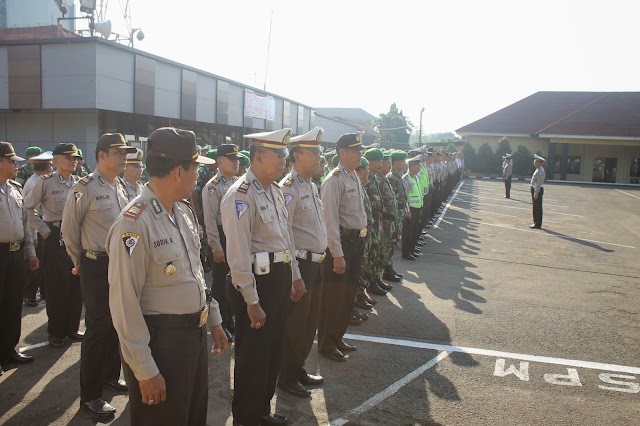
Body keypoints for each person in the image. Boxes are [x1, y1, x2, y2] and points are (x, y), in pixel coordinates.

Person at [106, 127, 228, 426]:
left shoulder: (182, 212)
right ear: (177, 171)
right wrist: (144, 369)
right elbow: (124, 303)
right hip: (162, 344)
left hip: (191, 338)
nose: (198, 175)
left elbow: (195, 272)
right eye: (196, 167)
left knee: (191, 416)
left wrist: (213, 318)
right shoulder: (134, 223)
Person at [221, 127, 300, 426]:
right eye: (277, 155)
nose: (283, 161)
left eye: (284, 155)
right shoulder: (240, 195)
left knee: (272, 351)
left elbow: (286, 239)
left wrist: (295, 276)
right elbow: (238, 255)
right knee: (253, 355)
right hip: (256, 283)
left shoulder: (275, 190)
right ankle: (246, 416)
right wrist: (251, 300)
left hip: (278, 278)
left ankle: (262, 411)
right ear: (257, 157)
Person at [62, 133, 136, 416]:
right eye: (118, 153)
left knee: (116, 323)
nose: (123, 158)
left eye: (124, 153)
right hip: (95, 264)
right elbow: (69, 230)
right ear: (102, 155)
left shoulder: (119, 186)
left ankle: (109, 376)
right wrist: (78, 261)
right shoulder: (85, 187)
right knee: (97, 328)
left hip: (118, 263)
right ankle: (90, 395)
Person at [277, 127, 328, 398]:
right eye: (315, 152)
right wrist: (295, 275)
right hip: (301, 265)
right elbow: (284, 236)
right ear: (297, 156)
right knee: (296, 324)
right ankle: (286, 376)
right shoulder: (288, 189)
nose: (320, 157)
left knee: (309, 324)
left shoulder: (311, 185)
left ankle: (298, 368)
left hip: (317, 263)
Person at [24, 143, 83, 349]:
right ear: (55, 161)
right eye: (68, 157)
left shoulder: (79, 182)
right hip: (54, 234)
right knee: (58, 286)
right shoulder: (45, 182)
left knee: (76, 285)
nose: (73, 161)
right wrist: (45, 231)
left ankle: (72, 328)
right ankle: (56, 331)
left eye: (75, 157)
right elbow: (28, 207)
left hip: (76, 235)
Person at [318, 133, 367, 362]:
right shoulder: (334, 180)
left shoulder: (353, 176)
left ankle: (338, 337)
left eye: (360, 151)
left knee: (347, 295)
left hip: (356, 242)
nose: (360, 155)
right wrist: (337, 254)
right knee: (334, 297)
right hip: (342, 245)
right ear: (342, 153)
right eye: (355, 151)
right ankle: (327, 343)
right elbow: (330, 221)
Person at [0, 142, 38, 377]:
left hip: (15, 254)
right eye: (12, 161)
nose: (16, 165)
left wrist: (31, 253)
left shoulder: (14, 189)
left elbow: (25, 225)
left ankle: (8, 350)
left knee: (13, 305)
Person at [202, 143, 242, 342]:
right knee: (220, 285)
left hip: (235, 235)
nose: (236, 162)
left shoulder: (239, 183)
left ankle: (231, 319)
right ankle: (222, 323)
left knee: (235, 281)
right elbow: (209, 220)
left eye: (237, 159)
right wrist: (216, 247)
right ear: (219, 161)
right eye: (231, 159)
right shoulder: (212, 187)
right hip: (221, 236)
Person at [22, 151, 53, 307]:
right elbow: (29, 212)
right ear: (47, 168)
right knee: (36, 264)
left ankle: (43, 292)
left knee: (44, 264)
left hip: (40, 225)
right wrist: (34, 235)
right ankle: (30, 295)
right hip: (37, 227)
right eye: (50, 166)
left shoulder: (38, 180)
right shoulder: (35, 183)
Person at [385, 150, 409, 281]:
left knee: (394, 243)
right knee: (389, 244)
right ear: (396, 162)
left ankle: (390, 268)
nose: (404, 164)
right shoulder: (391, 178)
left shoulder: (398, 176)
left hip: (398, 216)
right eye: (402, 161)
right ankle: (387, 271)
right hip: (393, 218)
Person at [402, 155, 423, 260]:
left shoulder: (416, 177)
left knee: (414, 230)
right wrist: (407, 210)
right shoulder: (406, 179)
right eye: (417, 165)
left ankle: (412, 249)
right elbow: (404, 196)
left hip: (417, 207)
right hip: (410, 209)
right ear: (411, 166)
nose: (419, 167)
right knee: (408, 232)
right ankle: (406, 252)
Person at [530, 154, 546, 229]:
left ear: (539, 162)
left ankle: (537, 223)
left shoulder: (541, 171)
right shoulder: (538, 170)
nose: (534, 163)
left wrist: (536, 192)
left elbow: (539, 183)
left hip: (537, 190)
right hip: (535, 189)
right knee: (535, 207)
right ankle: (535, 222)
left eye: (536, 161)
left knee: (537, 208)